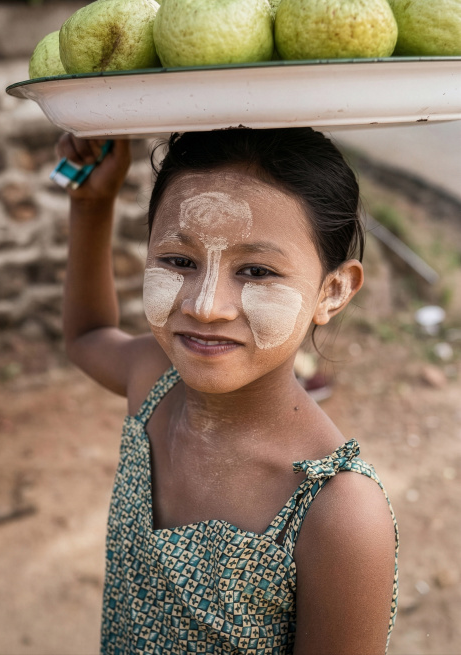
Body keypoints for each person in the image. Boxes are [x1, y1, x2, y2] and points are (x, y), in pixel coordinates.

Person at [56, 127, 398, 655]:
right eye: (179, 261)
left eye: (256, 271)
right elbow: (85, 336)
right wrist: (92, 203)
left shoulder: (339, 514)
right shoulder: (154, 379)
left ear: (333, 291)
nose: (205, 305)